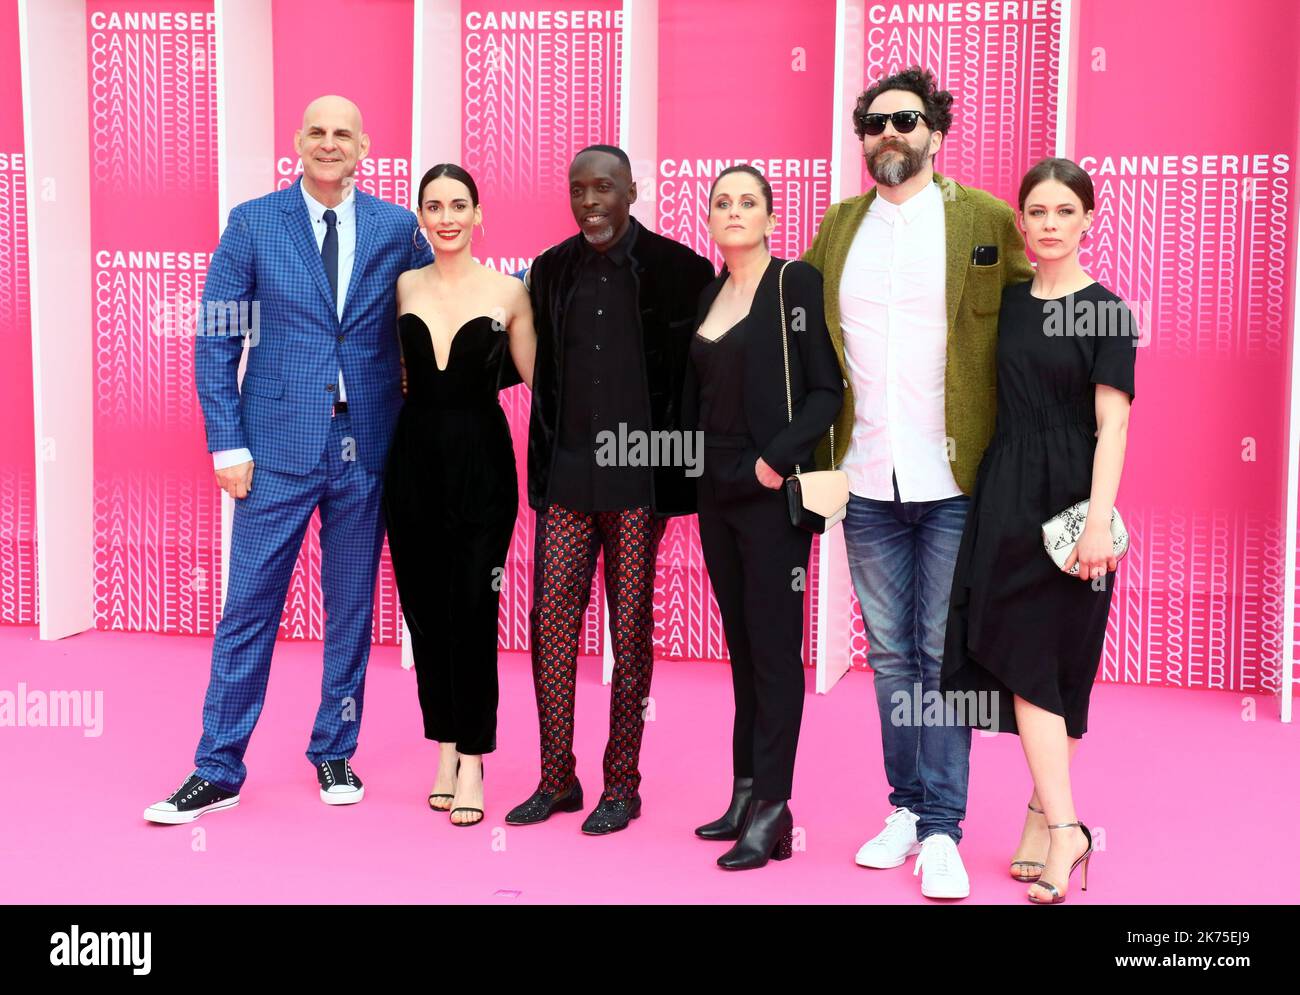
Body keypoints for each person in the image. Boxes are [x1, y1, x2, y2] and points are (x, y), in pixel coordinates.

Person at [145, 96, 432, 824]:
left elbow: (432, 307)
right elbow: (216, 336)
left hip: (368, 448)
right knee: (248, 607)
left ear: (365, 146)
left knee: (353, 607)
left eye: (343, 133)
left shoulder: (398, 228)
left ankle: (335, 747)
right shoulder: (253, 222)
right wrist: (227, 440)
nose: (329, 143)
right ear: (298, 141)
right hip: (272, 451)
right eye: (317, 132)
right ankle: (217, 766)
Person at [801, 66, 1034, 898]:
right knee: (893, 657)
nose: (888, 134)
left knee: (945, 658)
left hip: (955, 481)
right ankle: (905, 807)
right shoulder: (837, 227)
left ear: (936, 130)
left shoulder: (984, 221)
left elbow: (1035, 322)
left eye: (905, 120)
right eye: (873, 123)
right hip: (864, 478)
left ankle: (944, 828)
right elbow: (800, 342)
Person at [504, 145, 715, 835]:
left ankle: (621, 783)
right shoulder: (551, 268)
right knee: (552, 628)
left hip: (638, 484)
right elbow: (510, 350)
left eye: (604, 188)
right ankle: (556, 778)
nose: (590, 201)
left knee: (630, 633)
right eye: (578, 189)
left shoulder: (680, 271)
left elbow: (706, 377)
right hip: (565, 479)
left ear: (632, 191)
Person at [941, 157, 1134, 904]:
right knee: (1022, 658)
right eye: (1038, 212)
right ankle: (1053, 823)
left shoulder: (1107, 311)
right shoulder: (1010, 301)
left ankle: (1058, 829)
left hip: (1076, 499)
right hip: (1005, 493)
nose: (1050, 224)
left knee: (1058, 669)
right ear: (1021, 221)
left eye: (1065, 211)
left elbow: (1112, 426)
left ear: (1089, 218)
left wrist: (1094, 522)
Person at [684, 165, 842, 869]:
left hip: (769, 493)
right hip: (716, 494)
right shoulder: (708, 292)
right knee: (743, 650)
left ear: (771, 218)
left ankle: (775, 806)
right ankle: (746, 793)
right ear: (710, 220)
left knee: (776, 654)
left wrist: (772, 462)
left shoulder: (793, 284)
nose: (735, 211)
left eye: (749, 202)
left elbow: (824, 391)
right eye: (723, 202)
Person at [384, 164, 536, 827]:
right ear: (422, 217)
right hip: (411, 464)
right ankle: (443, 744)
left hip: (484, 468)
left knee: (473, 607)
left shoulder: (509, 291)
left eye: (458, 205)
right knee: (425, 613)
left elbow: (541, 380)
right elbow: (384, 370)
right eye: (434, 205)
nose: (446, 216)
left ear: (479, 214)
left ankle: (474, 756)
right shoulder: (401, 286)